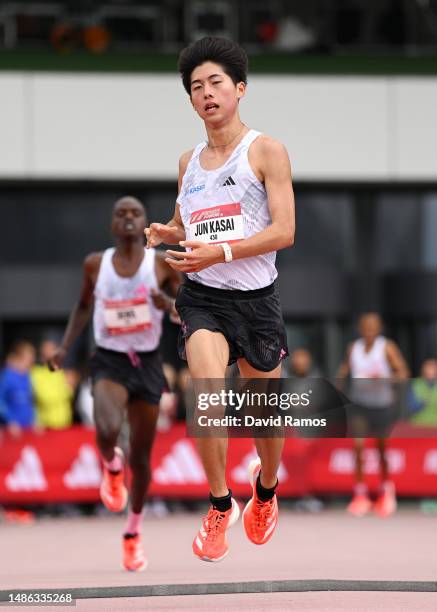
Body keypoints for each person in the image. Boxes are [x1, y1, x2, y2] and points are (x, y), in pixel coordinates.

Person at [145, 37, 295, 562]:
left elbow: (284, 231)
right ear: (190, 102)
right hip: (203, 297)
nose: (206, 93)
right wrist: (168, 232)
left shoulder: (265, 150)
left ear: (240, 89)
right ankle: (217, 504)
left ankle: (267, 491)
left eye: (215, 83)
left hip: (258, 300)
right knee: (207, 391)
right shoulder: (189, 161)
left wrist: (222, 250)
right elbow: (190, 223)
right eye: (195, 87)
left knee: (263, 416)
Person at [48, 196, 181, 571]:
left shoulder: (161, 264)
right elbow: (83, 306)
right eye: (120, 213)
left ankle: (133, 533)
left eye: (134, 213)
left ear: (144, 224)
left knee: (142, 455)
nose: (127, 218)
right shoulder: (96, 264)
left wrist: (166, 303)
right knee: (106, 432)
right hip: (108, 360)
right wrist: (63, 347)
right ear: (112, 224)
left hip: (148, 363)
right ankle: (111, 466)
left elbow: (187, 307)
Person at [337, 313, 409, 518]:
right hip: (360, 404)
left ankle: (386, 491)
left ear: (379, 328)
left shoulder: (386, 347)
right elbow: (343, 371)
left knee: (381, 450)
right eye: (365, 326)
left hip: (383, 405)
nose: (369, 329)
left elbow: (403, 372)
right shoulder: (354, 348)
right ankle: (360, 495)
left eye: (373, 326)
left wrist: (385, 378)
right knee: (358, 447)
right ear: (360, 328)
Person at [31, 339, 75, 429]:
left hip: (65, 425)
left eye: (53, 350)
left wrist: (69, 388)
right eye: (49, 351)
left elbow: (71, 394)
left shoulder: (61, 372)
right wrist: (66, 389)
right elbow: (44, 398)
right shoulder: (36, 373)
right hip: (46, 426)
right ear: (42, 354)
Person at [0, 340, 36, 437]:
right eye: (29, 357)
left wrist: (35, 420)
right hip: (10, 431)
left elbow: (30, 401)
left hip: (27, 429)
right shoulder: (7, 376)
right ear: (20, 357)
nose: (32, 360)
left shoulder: (27, 376)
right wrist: (10, 421)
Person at [408, 358, 437, 427]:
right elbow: (411, 407)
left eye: (433, 369)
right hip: (418, 425)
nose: (430, 373)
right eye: (428, 369)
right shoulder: (415, 384)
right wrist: (422, 402)